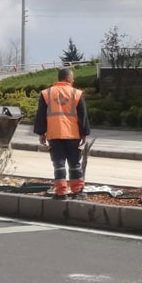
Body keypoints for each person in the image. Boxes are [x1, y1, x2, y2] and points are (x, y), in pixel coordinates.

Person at [34, 67, 91, 199]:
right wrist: (84, 133)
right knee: (75, 164)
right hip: (73, 135)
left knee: (58, 164)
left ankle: (61, 192)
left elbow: (41, 114)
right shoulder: (76, 93)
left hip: (54, 135)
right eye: (73, 78)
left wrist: (41, 133)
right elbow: (83, 116)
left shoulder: (46, 93)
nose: (74, 80)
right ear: (69, 79)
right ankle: (77, 192)